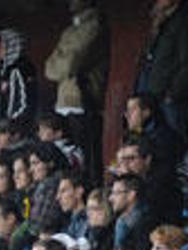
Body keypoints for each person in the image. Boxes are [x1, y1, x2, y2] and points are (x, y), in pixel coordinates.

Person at [44, 0, 110, 186]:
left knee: (86, 163)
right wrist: (62, 63)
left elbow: (69, 64)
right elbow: (49, 67)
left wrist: (63, 60)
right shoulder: (69, 31)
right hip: (63, 103)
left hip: (84, 103)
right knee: (65, 162)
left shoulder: (95, 26)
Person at [134, 0, 188, 137]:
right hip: (151, 98)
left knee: (176, 140)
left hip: (170, 101)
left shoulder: (183, 22)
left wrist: (171, 94)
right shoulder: (161, 22)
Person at [106, 175, 150, 250]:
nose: (110, 198)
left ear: (131, 195)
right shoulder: (120, 221)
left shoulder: (144, 223)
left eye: (116, 193)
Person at [0, 28, 37, 129]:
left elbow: (23, 103)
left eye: (2, 45)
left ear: (13, 46)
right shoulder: (2, 71)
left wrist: (10, 124)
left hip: (14, 129)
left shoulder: (21, 69)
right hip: (1, 127)